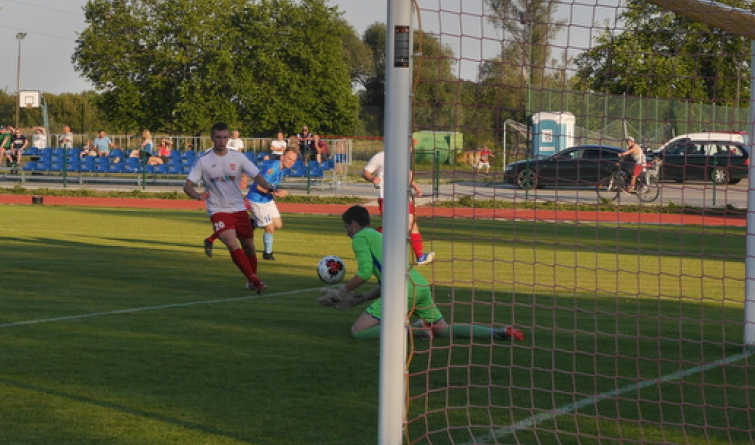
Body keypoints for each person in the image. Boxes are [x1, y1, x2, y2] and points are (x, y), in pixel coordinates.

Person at [323, 205, 520, 341]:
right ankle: (497, 332)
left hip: (403, 290)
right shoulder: (377, 235)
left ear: (355, 224)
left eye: (346, 227)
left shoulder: (359, 238)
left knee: (357, 332)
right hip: (419, 284)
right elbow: (388, 278)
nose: (346, 232)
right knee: (443, 330)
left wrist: (342, 291)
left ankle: (416, 329)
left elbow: (365, 272)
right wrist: (361, 298)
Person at [185, 122, 276, 294]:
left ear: (228, 138)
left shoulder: (238, 157)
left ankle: (251, 278)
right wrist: (197, 195)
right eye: (218, 137)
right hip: (218, 210)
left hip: (238, 208)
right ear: (212, 138)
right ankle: (255, 281)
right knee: (231, 242)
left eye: (224, 137)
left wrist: (269, 187)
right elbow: (187, 185)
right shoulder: (204, 160)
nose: (222, 141)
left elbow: (257, 175)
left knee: (249, 246)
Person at [362, 139, 435, 265]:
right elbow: (365, 172)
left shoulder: (404, 157)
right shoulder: (380, 157)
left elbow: (405, 175)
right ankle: (368, 239)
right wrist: (373, 178)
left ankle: (420, 256)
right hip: (387, 197)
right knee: (390, 228)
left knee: (412, 224)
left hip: (403, 196)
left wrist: (415, 186)